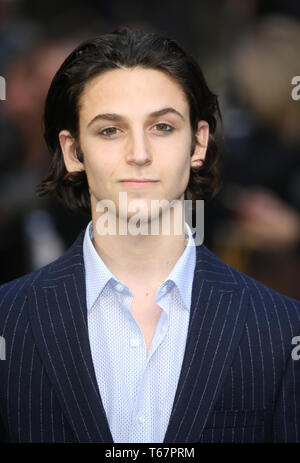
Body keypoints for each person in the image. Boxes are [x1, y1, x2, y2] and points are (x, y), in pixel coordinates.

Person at [0, 26, 299, 444]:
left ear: (198, 143)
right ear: (72, 152)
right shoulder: (9, 321)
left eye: (162, 127)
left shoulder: (281, 328)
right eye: (110, 130)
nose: (138, 154)